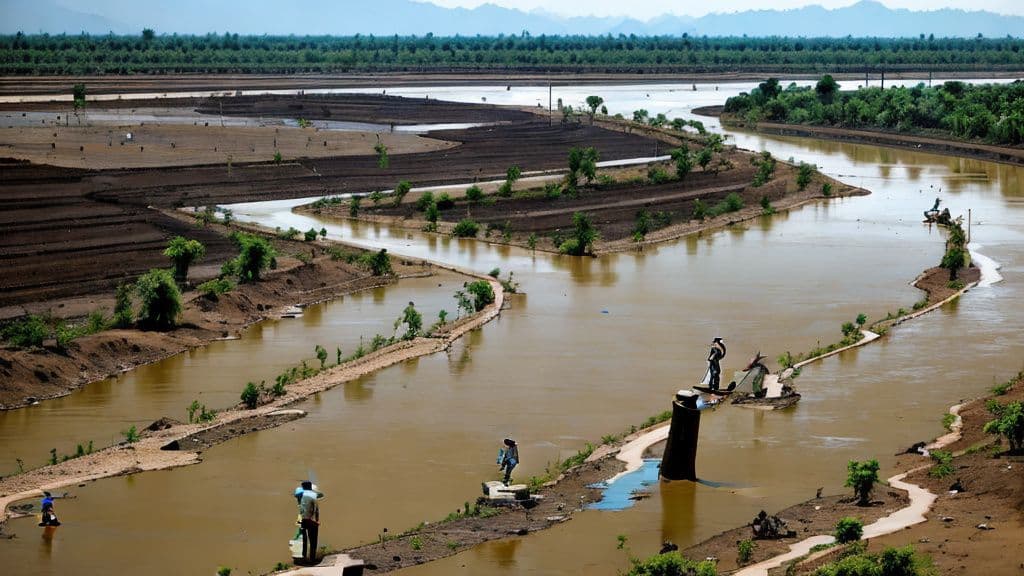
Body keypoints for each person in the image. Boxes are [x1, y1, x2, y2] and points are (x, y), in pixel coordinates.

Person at [297, 481, 320, 564]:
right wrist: (316, 520)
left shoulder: (300, 495)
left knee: (303, 540)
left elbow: (301, 508)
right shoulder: (314, 495)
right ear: (310, 487)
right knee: (313, 540)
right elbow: (316, 509)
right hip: (311, 520)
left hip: (302, 519)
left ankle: (303, 558)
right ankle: (312, 559)